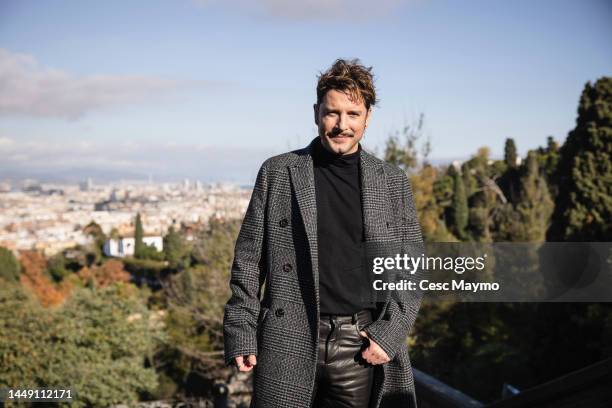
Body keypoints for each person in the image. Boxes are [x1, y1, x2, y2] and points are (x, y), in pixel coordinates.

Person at [223, 58, 424, 408]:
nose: (341, 125)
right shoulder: (278, 173)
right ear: (316, 112)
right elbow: (248, 260)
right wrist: (241, 329)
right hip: (286, 338)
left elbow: (411, 266)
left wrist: (389, 333)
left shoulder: (391, 181)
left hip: (358, 344)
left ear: (368, 117)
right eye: (332, 113)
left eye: (353, 114)